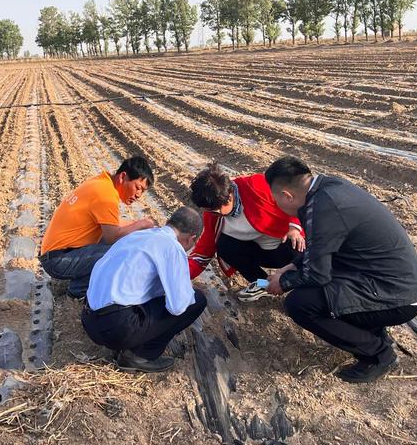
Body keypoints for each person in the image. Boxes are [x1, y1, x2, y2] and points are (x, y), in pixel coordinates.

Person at [265, 156, 417, 383]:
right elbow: (322, 246)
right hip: (398, 284)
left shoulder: (323, 208)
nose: (277, 206)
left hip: (397, 296)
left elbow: (316, 274)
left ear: (287, 195)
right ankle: (375, 334)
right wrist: (291, 265)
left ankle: (378, 354)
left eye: (276, 199)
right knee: (325, 287)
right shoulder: (328, 189)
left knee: (300, 304)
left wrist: (282, 283)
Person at [82, 207, 207, 373]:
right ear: (191, 239)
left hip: (89, 320)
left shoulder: (138, 236)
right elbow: (178, 306)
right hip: (117, 328)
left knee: (151, 299)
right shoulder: (172, 247)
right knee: (196, 300)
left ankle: (125, 344)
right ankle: (140, 355)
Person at [39, 156, 155, 299]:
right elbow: (111, 236)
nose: (138, 195)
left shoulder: (102, 183)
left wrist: (139, 224)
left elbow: (114, 223)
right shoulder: (106, 194)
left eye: (143, 192)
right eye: (138, 188)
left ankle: (78, 279)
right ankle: (78, 292)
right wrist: (141, 224)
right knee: (119, 251)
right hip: (57, 260)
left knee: (119, 241)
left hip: (56, 255)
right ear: (123, 177)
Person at [188, 163, 304, 301]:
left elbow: (296, 196)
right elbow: (203, 252)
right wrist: (178, 274)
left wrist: (294, 227)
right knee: (224, 246)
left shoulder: (256, 185)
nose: (214, 214)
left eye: (216, 210)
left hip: (286, 247)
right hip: (260, 252)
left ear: (229, 197)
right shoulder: (213, 214)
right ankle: (264, 284)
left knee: (298, 248)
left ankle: (296, 285)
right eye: (209, 210)